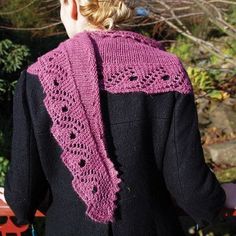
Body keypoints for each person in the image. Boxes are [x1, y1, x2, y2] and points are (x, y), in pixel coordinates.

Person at [3, 0, 235, 235]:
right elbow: (189, 188)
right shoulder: (168, 70)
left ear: (71, 5)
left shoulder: (37, 77)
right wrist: (220, 195)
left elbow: (23, 195)